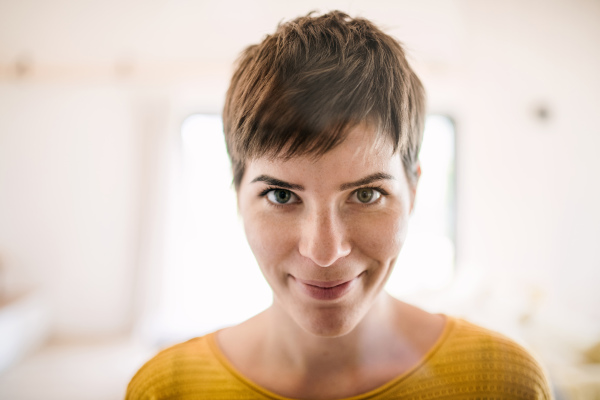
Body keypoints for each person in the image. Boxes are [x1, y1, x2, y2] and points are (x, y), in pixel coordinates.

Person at [126, 11, 552, 400]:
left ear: (413, 192)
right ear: (238, 195)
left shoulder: (504, 382)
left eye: (366, 195)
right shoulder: (166, 389)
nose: (325, 252)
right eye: (281, 195)